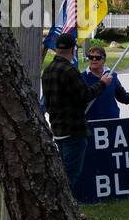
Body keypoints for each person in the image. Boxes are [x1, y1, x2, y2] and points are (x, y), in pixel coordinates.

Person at [42, 32, 112, 186]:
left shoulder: (47, 71)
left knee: (62, 172)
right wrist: (103, 83)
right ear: (73, 49)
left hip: (57, 129)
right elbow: (85, 95)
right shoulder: (69, 71)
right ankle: (64, 208)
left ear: (56, 49)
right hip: (73, 130)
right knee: (71, 175)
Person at [82, 44, 129, 119]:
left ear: (104, 60)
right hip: (90, 123)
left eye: (97, 57)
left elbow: (123, 96)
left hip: (112, 120)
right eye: (91, 57)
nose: (94, 59)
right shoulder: (82, 77)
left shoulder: (112, 76)